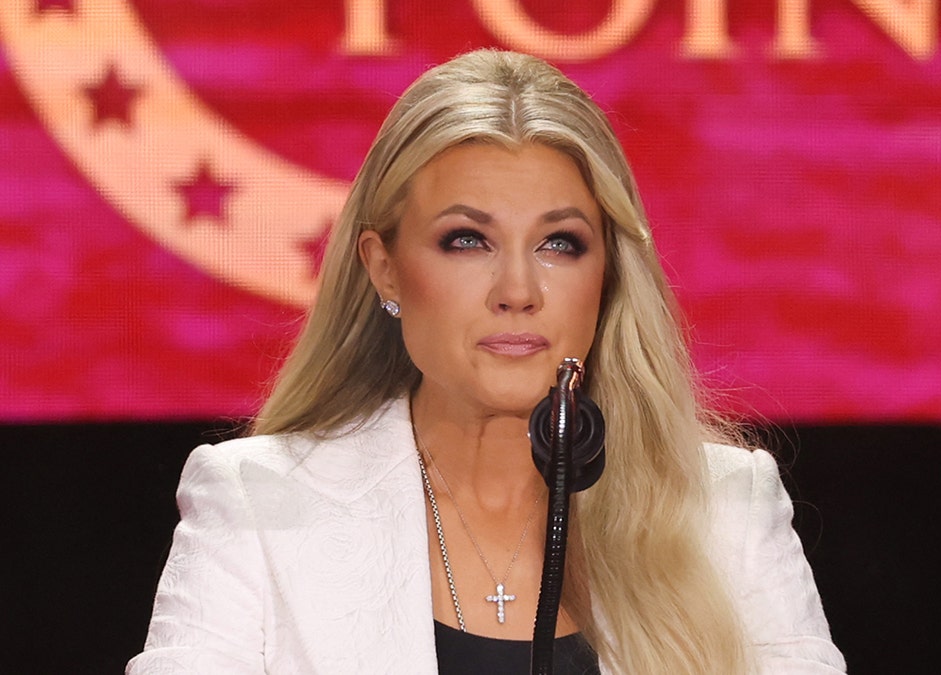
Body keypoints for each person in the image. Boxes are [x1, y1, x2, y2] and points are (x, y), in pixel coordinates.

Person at [126, 49, 846, 674]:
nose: (518, 291)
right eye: (467, 240)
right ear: (384, 268)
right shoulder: (258, 505)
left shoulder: (725, 510)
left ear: (609, 274)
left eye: (559, 243)